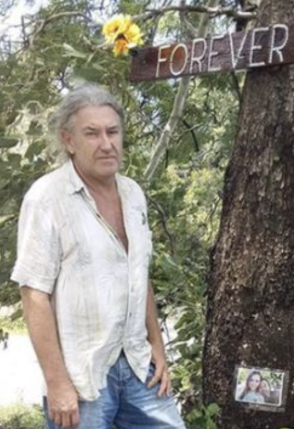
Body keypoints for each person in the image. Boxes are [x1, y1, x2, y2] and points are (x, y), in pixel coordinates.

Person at [13, 86, 186, 429]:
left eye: (113, 131)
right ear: (69, 140)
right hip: (82, 379)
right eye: (91, 133)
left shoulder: (133, 193)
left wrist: (158, 346)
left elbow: (140, 274)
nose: (106, 143)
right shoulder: (46, 198)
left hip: (138, 368)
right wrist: (57, 382)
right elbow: (34, 294)